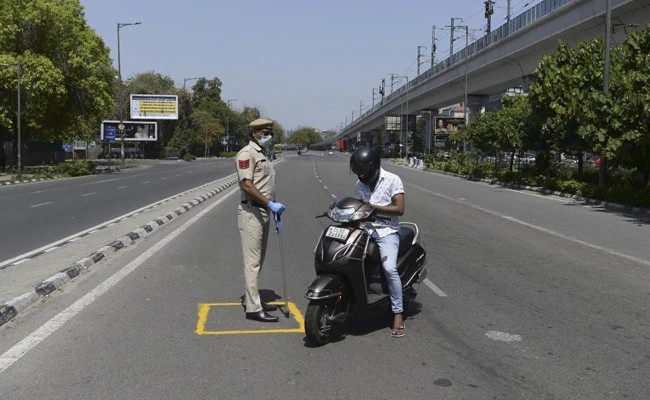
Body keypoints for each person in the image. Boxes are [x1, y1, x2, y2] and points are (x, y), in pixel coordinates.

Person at [350, 147, 406, 337]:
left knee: (389, 268)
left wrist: (374, 208)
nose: (361, 176)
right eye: (358, 173)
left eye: (363, 172)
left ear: (373, 168)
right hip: (364, 229)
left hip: (386, 231)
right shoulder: (360, 184)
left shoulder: (392, 179)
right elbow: (357, 207)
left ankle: (397, 312)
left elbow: (399, 209)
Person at [235, 118, 286, 322]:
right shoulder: (246, 154)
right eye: (265, 132)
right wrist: (269, 203)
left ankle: (253, 299)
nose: (268, 136)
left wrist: (271, 207)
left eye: (270, 133)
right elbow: (247, 185)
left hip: (263, 211)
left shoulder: (262, 153)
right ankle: (253, 309)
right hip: (251, 212)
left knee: (258, 260)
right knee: (252, 262)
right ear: (254, 133)